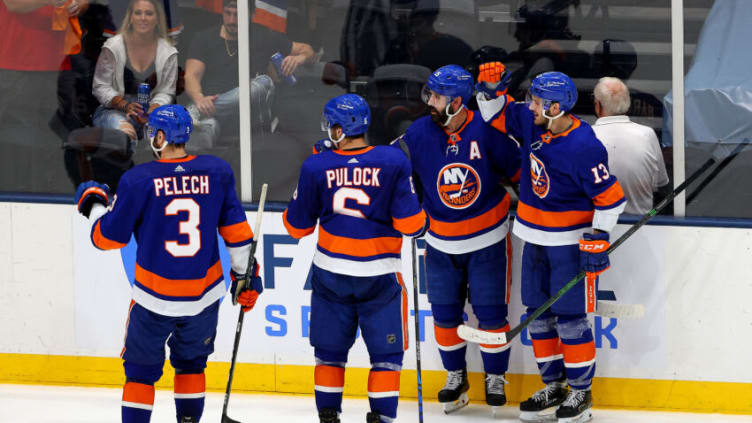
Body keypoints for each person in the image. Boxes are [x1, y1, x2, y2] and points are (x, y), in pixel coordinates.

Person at [73, 104, 262, 423]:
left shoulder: (138, 180)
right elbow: (237, 233)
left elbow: (108, 238)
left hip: (153, 299)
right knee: (191, 366)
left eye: (153, 133)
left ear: (162, 135)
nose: (151, 139)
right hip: (203, 298)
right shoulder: (217, 171)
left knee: (140, 374)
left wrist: (94, 205)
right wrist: (247, 278)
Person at [476, 64, 626, 423]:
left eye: (536, 102)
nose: (529, 107)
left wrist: (599, 239)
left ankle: (580, 394)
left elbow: (611, 198)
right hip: (532, 237)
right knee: (538, 317)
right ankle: (553, 385)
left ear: (555, 108)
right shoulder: (533, 122)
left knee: (572, 321)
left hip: (568, 246)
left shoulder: (584, 145)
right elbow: (494, 113)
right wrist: (489, 89)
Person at [282, 94, 426, 423]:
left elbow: (296, 228)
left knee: (330, 354)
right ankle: (382, 418)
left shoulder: (317, 164)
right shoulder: (393, 161)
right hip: (380, 276)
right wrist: (423, 218)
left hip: (331, 275)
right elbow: (410, 226)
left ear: (338, 128)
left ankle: (329, 415)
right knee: (386, 357)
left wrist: (315, 177)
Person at [394, 64, 521, 414]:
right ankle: (456, 376)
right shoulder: (418, 133)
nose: (429, 102)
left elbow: (521, 175)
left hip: (488, 242)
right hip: (439, 244)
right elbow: (392, 170)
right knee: (445, 313)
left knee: (492, 314)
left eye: (436, 96)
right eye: (430, 94)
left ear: (458, 101)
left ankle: (495, 377)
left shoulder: (490, 130)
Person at [184, 0, 314, 145]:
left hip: (251, 114)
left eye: (238, 15)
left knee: (264, 83)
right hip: (212, 114)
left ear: (251, 15)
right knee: (201, 133)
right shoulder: (204, 38)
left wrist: (299, 59)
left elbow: (308, 51)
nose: (232, 20)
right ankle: (199, 113)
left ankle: (194, 111)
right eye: (228, 13)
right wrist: (199, 98)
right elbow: (191, 75)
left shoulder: (264, 35)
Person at [92, 0, 178, 142]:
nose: (143, 18)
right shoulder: (113, 46)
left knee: (159, 137)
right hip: (114, 110)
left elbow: (167, 91)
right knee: (125, 134)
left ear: (157, 19)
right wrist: (124, 105)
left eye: (149, 13)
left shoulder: (168, 51)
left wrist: (154, 109)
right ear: (131, 18)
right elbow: (100, 86)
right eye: (138, 13)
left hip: (152, 112)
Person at [592, 76, 669, 215]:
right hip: (643, 226)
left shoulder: (584, 137)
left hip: (595, 227)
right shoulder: (647, 134)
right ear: (627, 103)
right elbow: (660, 183)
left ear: (597, 105)